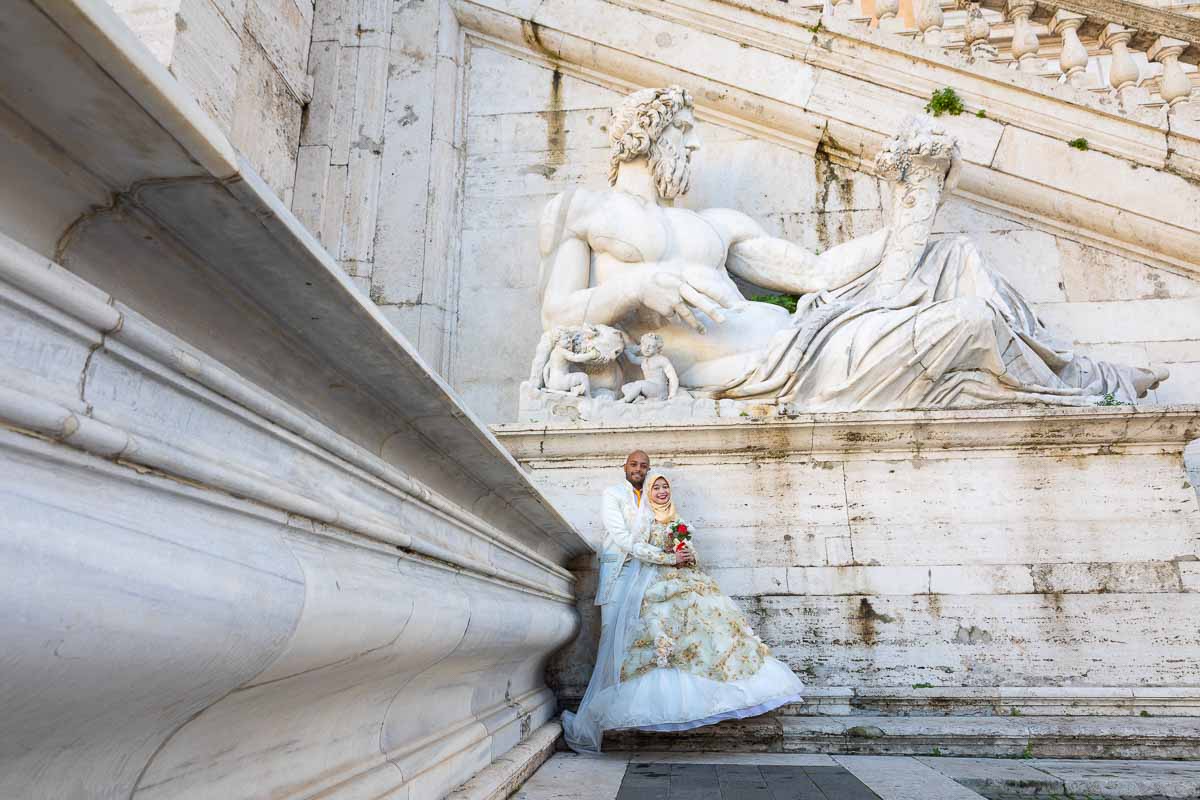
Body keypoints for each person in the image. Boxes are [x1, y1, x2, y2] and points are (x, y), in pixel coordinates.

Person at [535, 86, 1165, 409]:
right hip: (758, 371)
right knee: (969, 323)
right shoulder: (584, 210)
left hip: (802, 338)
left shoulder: (717, 225)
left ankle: (1078, 373)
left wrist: (911, 212)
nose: (694, 151)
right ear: (651, 132)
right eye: (687, 136)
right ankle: (1092, 389)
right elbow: (558, 311)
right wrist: (635, 288)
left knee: (955, 256)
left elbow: (815, 271)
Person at [564, 471, 804, 753]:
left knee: (709, 628)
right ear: (649, 493)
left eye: (665, 487)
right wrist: (670, 558)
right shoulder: (642, 522)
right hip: (656, 587)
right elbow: (639, 550)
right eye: (657, 488)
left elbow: (688, 553)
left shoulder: (678, 520)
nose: (662, 492)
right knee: (662, 636)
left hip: (687, 583)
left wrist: (689, 555)